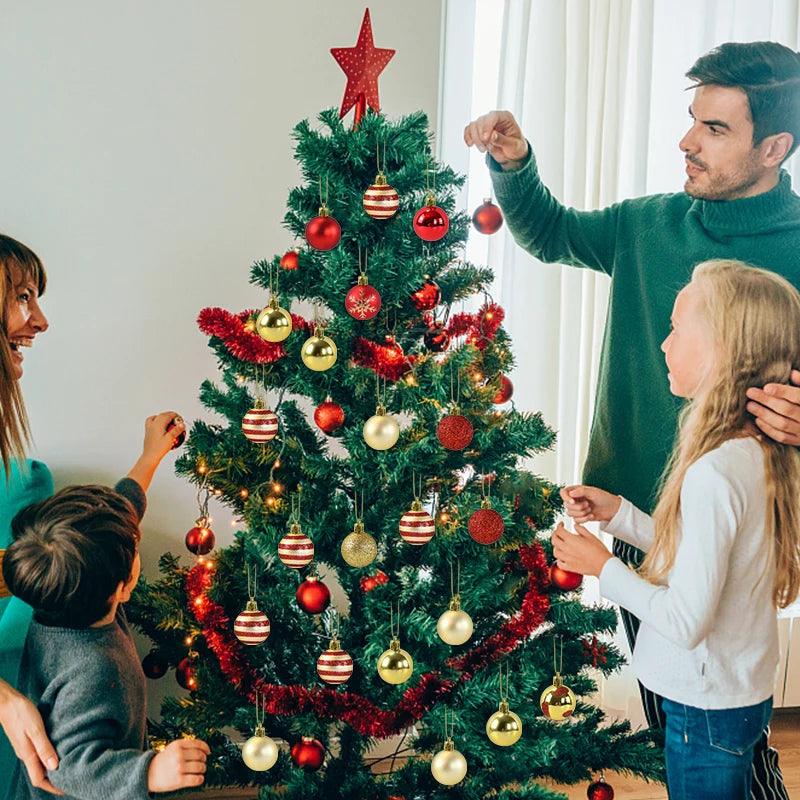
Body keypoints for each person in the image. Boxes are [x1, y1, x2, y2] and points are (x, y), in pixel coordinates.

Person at [464, 41, 800, 799]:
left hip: (744, 518)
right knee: (678, 709)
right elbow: (550, 233)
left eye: (715, 128)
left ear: (774, 147)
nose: (687, 141)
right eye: (693, 119)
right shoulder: (647, 224)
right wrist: (513, 165)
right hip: (637, 515)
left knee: (720, 720)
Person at [552, 260, 800, 800]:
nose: (663, 344)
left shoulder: (714, 471)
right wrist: (619, 514)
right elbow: (702, 555)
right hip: (738, 694)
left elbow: (686, 622)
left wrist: (602, 567)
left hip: (703, 708)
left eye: (676, 329)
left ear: (723, 351)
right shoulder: (752, 454)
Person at [3, 412, 205, 800]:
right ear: (123, 585)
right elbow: (70, 769)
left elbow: (122, 512)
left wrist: (150, 456)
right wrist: (150, 772)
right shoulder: (93, 671)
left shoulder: (62, 595)